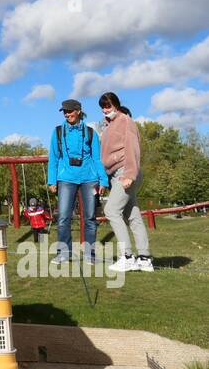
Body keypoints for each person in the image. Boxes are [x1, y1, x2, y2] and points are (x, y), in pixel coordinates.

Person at [98, 91, 153, 273]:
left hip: (125, 172)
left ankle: (127, 256)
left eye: (108, 105)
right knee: (132, 214)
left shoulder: (125, 121)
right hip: (114, 175)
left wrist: (129, 173)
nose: (106, 109)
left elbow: (132, 148)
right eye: (103, 106)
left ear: (116, 104)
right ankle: (144, 258)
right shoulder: (108, 126)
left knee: (111, 210)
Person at [47, 98, 108, 260]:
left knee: (89, 218)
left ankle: (90, 254)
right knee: (63, 217)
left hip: (90, 179)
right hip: (66, 179)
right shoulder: (58, 132)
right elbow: (53, 158)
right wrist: (52, 180)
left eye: (70, 111)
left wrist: (103, 180)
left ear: (78, 111)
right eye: (65, 112)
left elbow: (97, 158)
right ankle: (64, 253)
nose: (67, 114)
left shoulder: (90, 133)